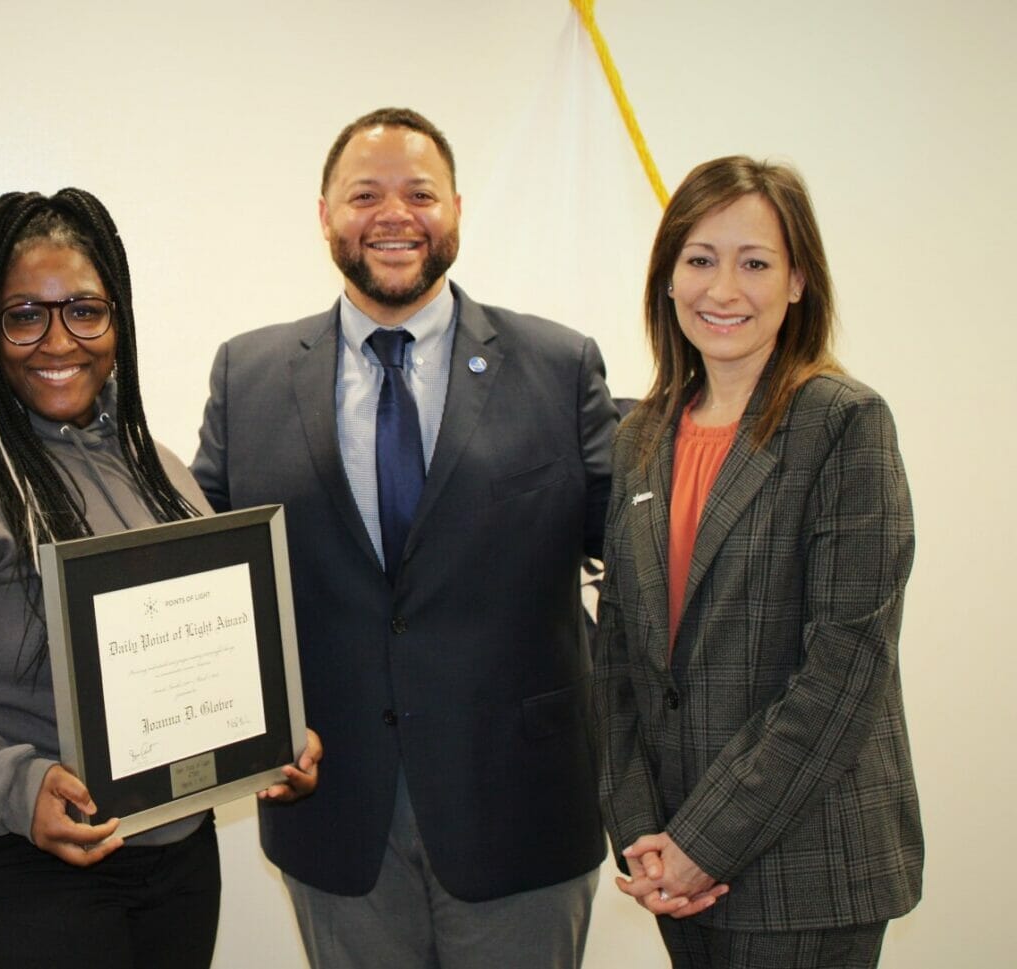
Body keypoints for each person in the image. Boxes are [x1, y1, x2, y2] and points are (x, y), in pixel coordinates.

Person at [0, 188, 320, 968]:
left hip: (169, 862)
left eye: (84, 310)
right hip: (3, 862)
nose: (58, 341)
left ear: (118, 320)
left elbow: (204, 639)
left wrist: (265, 733)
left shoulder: (158, 470)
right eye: (25, 314)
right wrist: (16, 786)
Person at [192, 107, 617, 968]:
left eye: (420, 193)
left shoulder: (560, 365)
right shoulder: (248, 376)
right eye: (365, 194)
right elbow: (206, 581)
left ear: (456, 207)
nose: (394, 215)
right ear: (324, 214)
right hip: (337, 815)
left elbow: (637, 557)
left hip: (523, 812)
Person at [592, 155, 922, 969]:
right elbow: (620, 658)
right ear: (667, 278)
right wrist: (640, 831)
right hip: (677, 867)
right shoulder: (641, 438)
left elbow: (844, 669)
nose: (723, 289)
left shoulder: (843, 424)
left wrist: (706, 842)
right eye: (700, 259)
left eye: (755, 262)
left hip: (806, 872)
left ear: (799, 279)